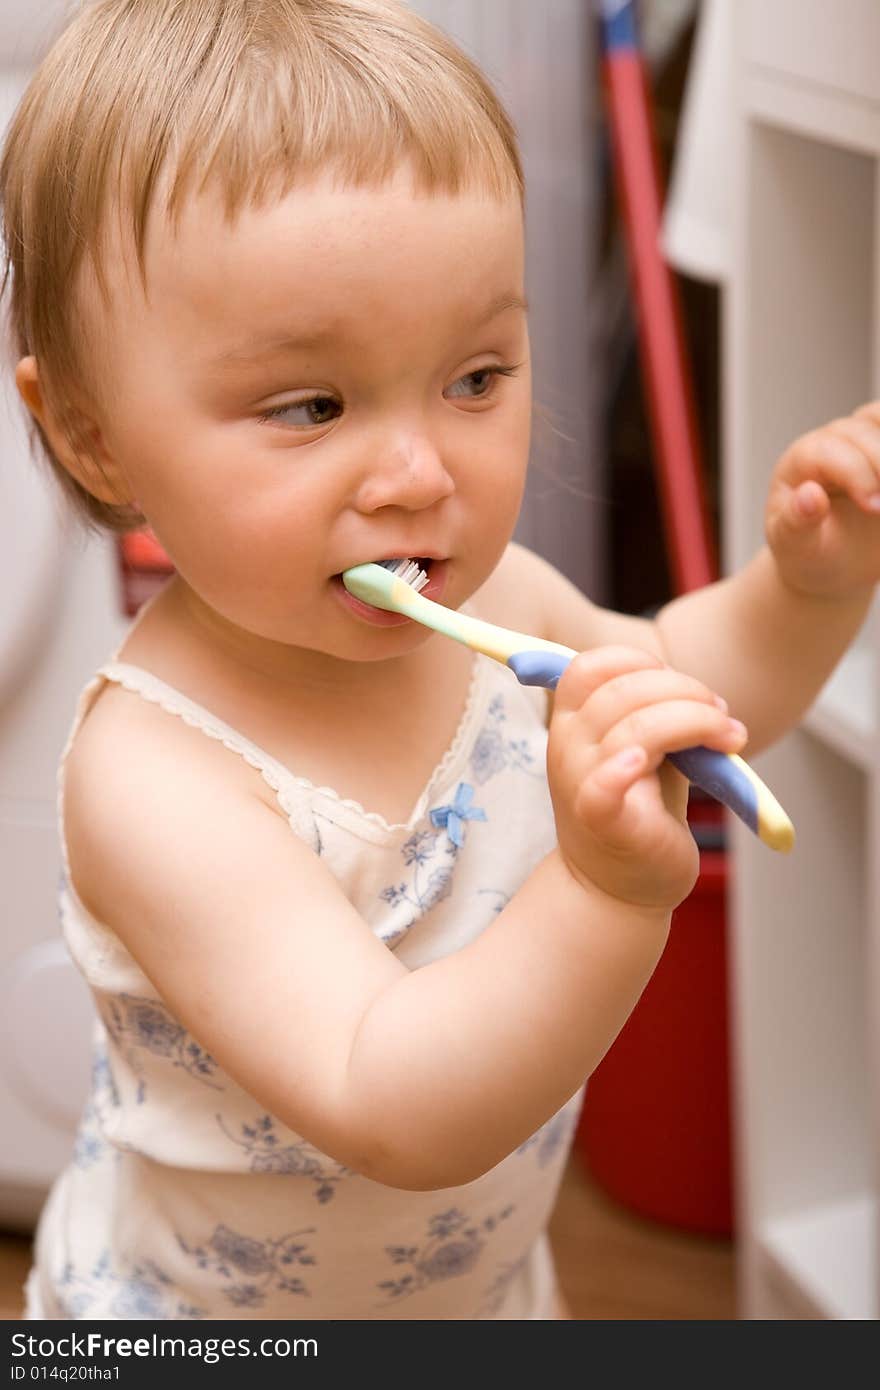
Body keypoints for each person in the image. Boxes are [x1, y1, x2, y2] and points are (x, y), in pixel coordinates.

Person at [2, 0, 879, 1322]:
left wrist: (805, 590)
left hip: (473, 1296)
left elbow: (691, 693)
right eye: (313, 404)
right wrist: (606, 896)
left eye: (475, 376)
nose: (423, 475)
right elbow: (384, 1093)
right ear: (92, 437)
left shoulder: (504, 605)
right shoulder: (154, 773)